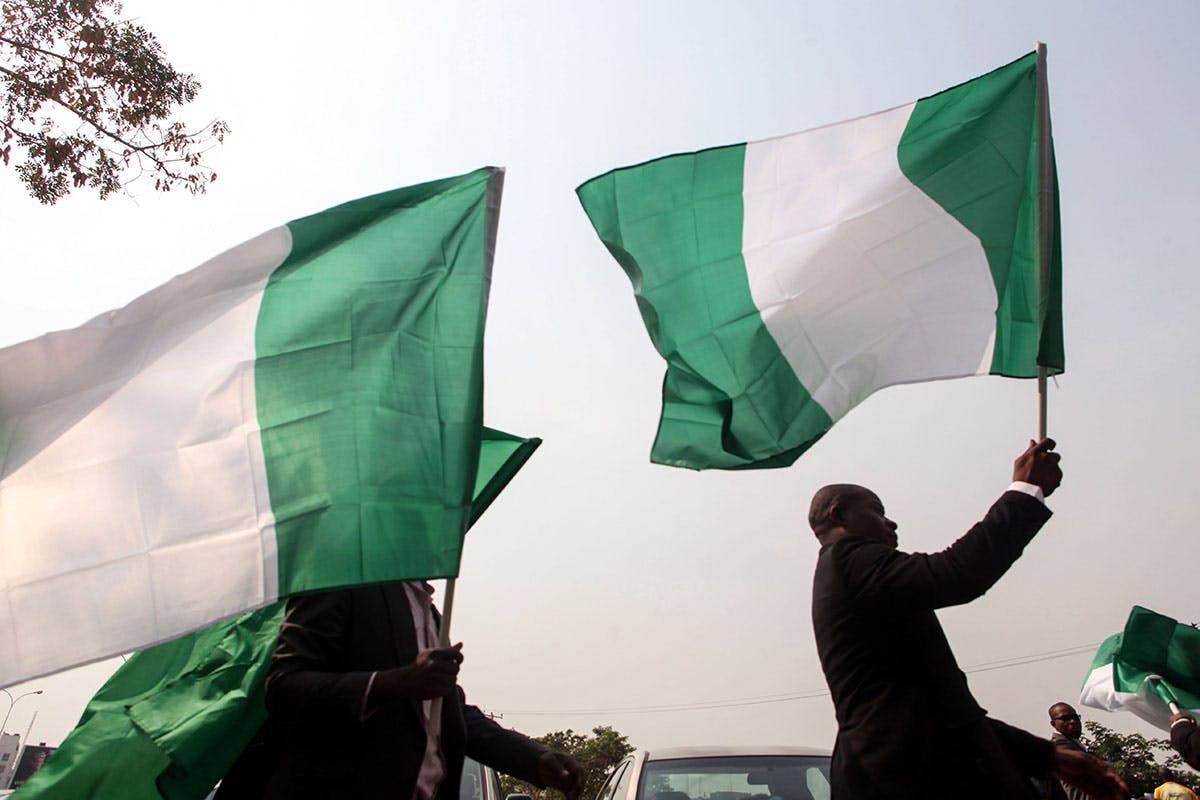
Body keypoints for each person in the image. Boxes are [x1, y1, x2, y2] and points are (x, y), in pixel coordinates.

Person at [809, 439, 1128, 800]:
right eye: (878, 511)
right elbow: (958, 573)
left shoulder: (866, 585)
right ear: (838, 515)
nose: (891, 522)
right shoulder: (849, 559)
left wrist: (1049, 757)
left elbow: (943, 711)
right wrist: (1026, 491)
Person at [217, 581, 584, 800]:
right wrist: (393, 683)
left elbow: (450, 711)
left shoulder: (428, 609)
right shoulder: (346, 580)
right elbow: (285, 686)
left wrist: (534, 758)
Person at [1049, 702, 1102, 800]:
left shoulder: (1071, 744)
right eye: (1065, 718)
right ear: (1053, 723)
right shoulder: (1061, 748)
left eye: (1076, 717)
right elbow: (1077, 791)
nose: (1073, 721)